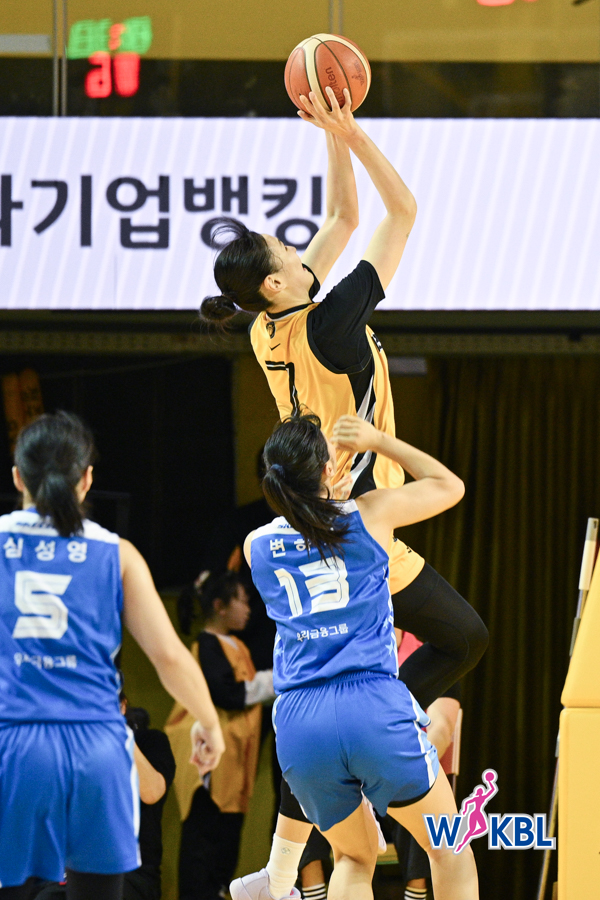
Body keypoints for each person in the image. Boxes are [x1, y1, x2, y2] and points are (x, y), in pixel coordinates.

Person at [200, 87, 487, 888]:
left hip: (312, 516)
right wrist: (354, 131)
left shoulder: (268, 326)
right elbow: (401, 211)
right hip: (358, 522)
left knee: (325, 711)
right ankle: (392, 730)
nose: (298, 246)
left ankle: (279, 865)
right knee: (463, 639)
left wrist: (331, 131)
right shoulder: (330, 323)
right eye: (284, 248)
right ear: (277, 282)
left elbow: (342, 216)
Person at [231, 412, 478, 900]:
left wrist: (325, 496)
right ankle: (274, 877)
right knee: (450, 849)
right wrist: (378, 440)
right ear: (327, 469)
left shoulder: (256, 545)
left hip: (300, 722)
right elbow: (450, 486)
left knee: (352, 857)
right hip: (370, 703)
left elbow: (308, 529)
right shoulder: (369, 514)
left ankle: (275, 877)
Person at [0, 411, 224, 900]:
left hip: (14, 744)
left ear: (17, 477)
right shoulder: (116, 553)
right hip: (97, 746)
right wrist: (209, 723)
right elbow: (168, 656)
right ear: (86, 479)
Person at [167, 572, 275, 900]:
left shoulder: (237, 645)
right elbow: (227, 693)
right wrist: (280, 679)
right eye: (241, 600)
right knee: (204, 840)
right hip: (210, 763)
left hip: (234, 757)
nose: (248, 608)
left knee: (226, 840)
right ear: (220, 606)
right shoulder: (207, 644)